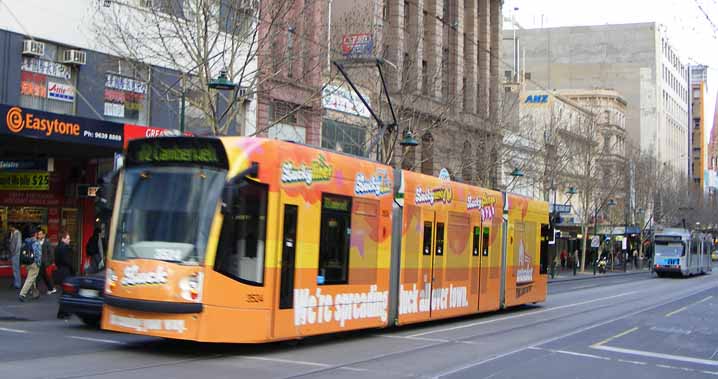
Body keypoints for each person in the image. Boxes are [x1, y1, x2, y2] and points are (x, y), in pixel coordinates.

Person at [18, 230, 41, 301]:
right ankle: (22, 294)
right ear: (35, 234)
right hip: (34, 263)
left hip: (27, 262)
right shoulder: (36, 242)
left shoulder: (25, 242)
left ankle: (35, 293)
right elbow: (38, 254)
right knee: (30, 279)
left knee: (31, 278)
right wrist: (38, 263)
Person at [35, 229, 56, 294]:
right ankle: (51, 288)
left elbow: (51, 253)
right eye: (38, 234)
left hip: (44, 263)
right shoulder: (36, 242)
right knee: (43, 277)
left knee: (37, 277)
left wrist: (49, 262)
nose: (39, 236)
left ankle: (34, 290)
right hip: (39, 263)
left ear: (44, 235)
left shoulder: (47, 243)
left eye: (41, 234)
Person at [8, 224, 22, 290]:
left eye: (10, 227)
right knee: (15, 269)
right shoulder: (12, 233)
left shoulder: (17, 233)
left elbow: (18, 245)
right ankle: (16, 282)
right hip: (13, 254)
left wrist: (14, 253)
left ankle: (18, 284)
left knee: (16, 269)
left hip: (16, 254)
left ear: (13, 227)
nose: (9, 228)